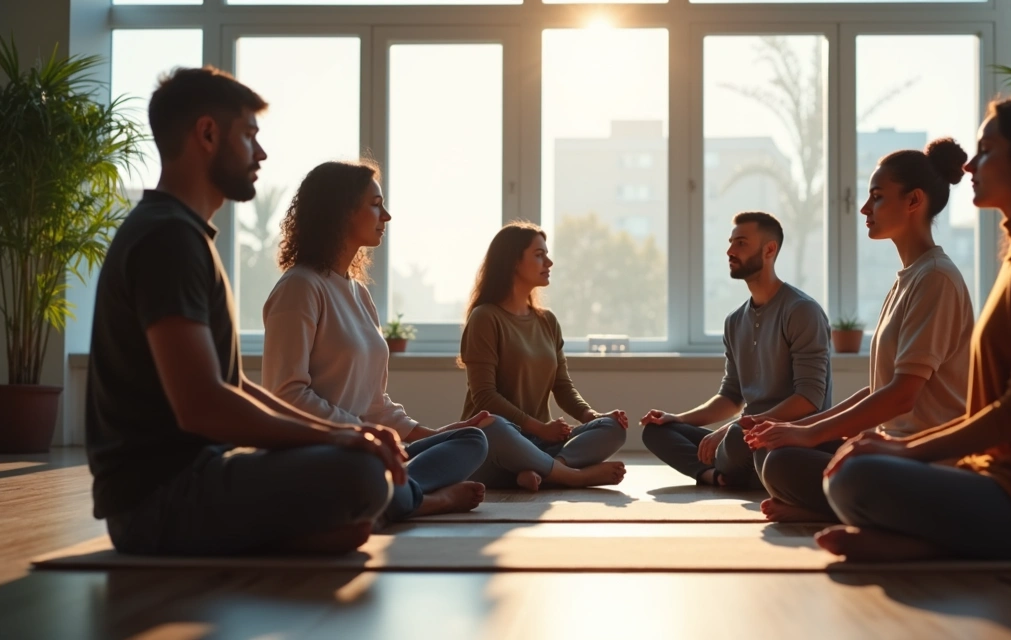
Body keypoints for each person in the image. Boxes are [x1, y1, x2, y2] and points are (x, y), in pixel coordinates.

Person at [85, 67, 405, 556]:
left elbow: (231, 383)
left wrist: (342, 432)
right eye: (249, 136)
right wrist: (339, 443)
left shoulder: (184, 235)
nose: (261, 153)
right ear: (208, 134)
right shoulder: (168, 238)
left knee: (364, 461)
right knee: (361, 473)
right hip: (157, 503)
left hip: (189, 482)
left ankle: (305, 531)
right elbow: (202, 405)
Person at [816, 95, 1011, 562]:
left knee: (858, 479)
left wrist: (905, 452)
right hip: (1000, 482)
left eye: (986, 150)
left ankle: (923, 546)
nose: (970, 164)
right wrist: (897, 446)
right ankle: (922, 544)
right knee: (854, 467)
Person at [744, 139, 974, 522]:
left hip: (924, 460)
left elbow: (901, 396)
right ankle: (840, 506)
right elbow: (883, 386)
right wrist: (798, 426)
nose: (865, 208)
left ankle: (846, 510)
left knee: (782, 463)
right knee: (770, 451)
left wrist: (808, 436)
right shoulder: (909, 278)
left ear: (914, 200)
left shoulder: (936, 279)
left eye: (878, 197)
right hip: (887, 448)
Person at [261, 159, 491, 522]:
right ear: (340, 211)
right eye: (375, 204)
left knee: (471, 441)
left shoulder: (359, 294)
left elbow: (374, 403)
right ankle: (427, 501)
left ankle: (387, 495)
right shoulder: (299, 287)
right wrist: (364, 436)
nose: (386, 216)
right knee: (364, 473)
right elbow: (286, 395)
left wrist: (429, 434)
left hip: (366, 449)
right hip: (320, 451)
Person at [639, 212, 832, 488]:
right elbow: (731, 396)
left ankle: (729, 470)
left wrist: (738, 427)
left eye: (741, 243)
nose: (730, 250)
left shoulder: (801, 311)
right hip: (743, 437)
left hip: (788, 438)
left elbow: (810, 398)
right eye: (730, 242)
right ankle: (717, 476)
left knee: (733, 441)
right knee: (656, 432)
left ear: (769, 249)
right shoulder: (734, 321)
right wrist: (677, 418)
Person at [459, 222, 628, 490]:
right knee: (494, 427)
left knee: (612, 428)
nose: (549, 262)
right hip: (500, 440)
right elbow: (484, 397)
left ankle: (546, 468)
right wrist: (538, 428)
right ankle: (569, 474)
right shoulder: (485, 318)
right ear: (513, 261)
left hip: (541, 441)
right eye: (539, 255)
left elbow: (562, 386)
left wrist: (592, 416)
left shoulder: (547, 321)